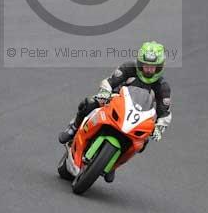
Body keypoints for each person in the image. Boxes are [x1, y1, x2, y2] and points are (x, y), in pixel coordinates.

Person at [58, 41, 172, 182]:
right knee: (90, 103)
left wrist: (159, 127)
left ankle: (113, 164)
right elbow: (109, 82)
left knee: (143, 143)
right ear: (139, 63)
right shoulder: (129, 68)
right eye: (145, 65)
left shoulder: (162, 87)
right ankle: (74, 128)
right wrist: (105, 91)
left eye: (152, 67)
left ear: (159, 68)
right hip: (114, 102)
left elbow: (164, 112)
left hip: (137, 117)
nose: (148, 70)